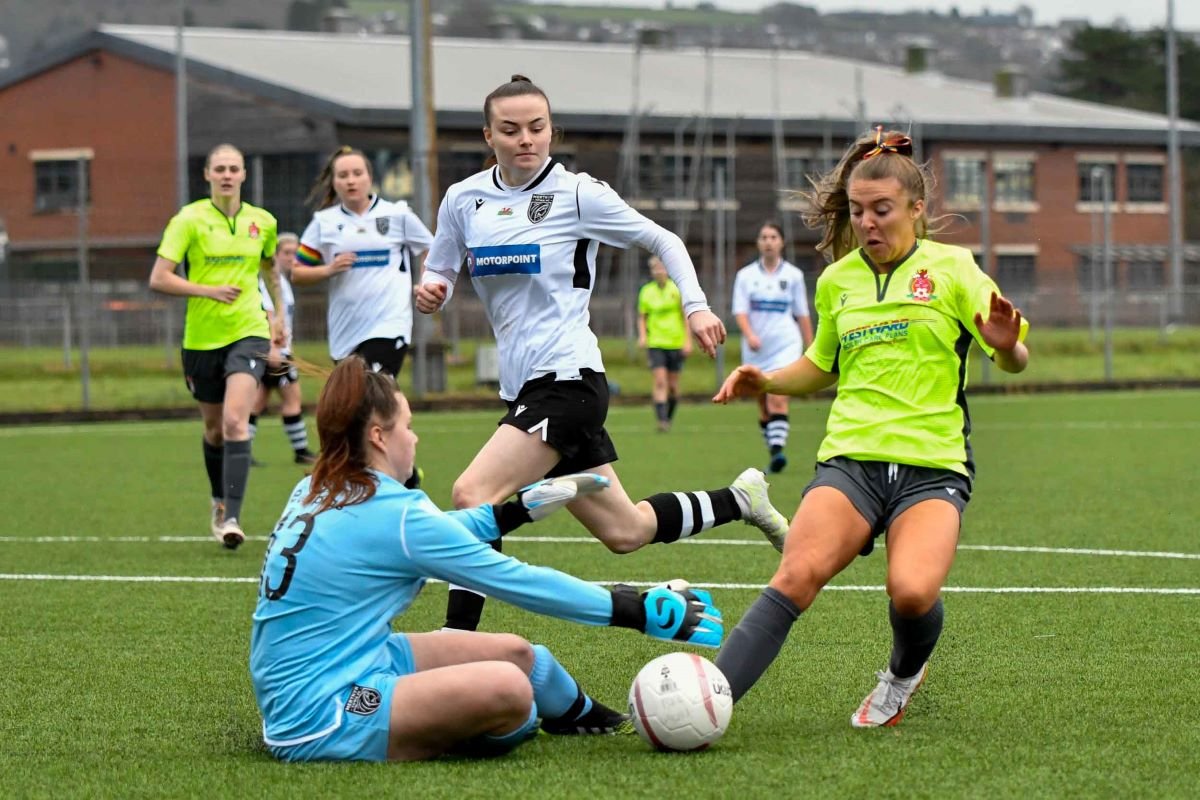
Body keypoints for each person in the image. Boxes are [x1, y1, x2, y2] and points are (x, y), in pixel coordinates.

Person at [415, 74, 791, 633]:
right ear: (487, 135)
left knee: (472, 494)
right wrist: (431, 288)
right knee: (627, 532)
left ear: (551, 130)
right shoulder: (463, 199)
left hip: (567, 381)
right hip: (526, 389)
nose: (526, 139)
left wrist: (696, 306)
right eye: (511, 129)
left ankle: (454, 642)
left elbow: (665, 240)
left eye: (537, 128)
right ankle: (740, 500)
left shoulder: (577, 192)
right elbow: (440, 265)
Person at [250, 356, 725, 762]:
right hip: (322, 711)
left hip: (355, 659)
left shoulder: (319, 488)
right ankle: (454, 730)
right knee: (512, 693)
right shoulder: (393, 513)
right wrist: (634, 609)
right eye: (407, 427)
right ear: (378, 436)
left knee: (522, 656)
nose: (414, 439)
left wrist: (516, 511)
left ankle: (599, 722)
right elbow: (516, 580)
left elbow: (431, 534)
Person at [712, 127, 1029, 728]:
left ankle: (903, 675)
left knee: (910, 591)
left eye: (882, 210)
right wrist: (768, 382)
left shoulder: (956, 270)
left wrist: (1008, 349)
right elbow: (820, 365)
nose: (868, 223)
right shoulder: (837, 281)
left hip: (932, 466)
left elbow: (1014, 356)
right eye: (858, 211)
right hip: (851, 460)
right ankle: (708, 700)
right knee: (795, 575)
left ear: (917, 209)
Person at [148, 143, 287, 549]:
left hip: (249, 331)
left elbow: (270, 269)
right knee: (213, 430)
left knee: (234, 422)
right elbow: (159, 278)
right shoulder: (188, 220)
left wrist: (278, 316)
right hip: (201, 340)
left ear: (244, 174)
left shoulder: (263, 221)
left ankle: (233, 516)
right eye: (220, 169)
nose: (227, 175)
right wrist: (206, 290)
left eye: (234, 169)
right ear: (207, 174)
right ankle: (218, 499)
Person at [291, 145, 434, 488]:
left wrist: (428, 281)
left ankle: (393, 474)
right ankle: (393, 473)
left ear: (370, 178)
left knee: (376, 392)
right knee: (355, 404)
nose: (351, 180)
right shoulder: (324, 223)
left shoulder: (397, 215)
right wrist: (328, 269)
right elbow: (298, 272)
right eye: (343, 175)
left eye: (357, 173)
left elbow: (431, 247)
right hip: (345, 332)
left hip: (390, 324)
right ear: (334, 183)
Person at [731, 221, 814, 473]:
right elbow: (740, 311)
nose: (768, 241)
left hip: (786, 344)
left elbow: (802, 313)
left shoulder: (794, 276)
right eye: (764, 237)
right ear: (758, 243)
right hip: (757, 348)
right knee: (762, 402)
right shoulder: (745, 276)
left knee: (778, 395)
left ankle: (778, 452)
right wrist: (750, 335)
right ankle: (773, 448)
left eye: (773, 237)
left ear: (781, 243)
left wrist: (810, 347)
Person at [250, 233, 317, 466]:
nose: (291, 258)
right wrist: (274, 349)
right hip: (274, 351)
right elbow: (267, 315)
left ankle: (241, 451)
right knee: (292, 398)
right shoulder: (268, 280)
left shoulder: (282, 281)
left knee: (257, 401)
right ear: (275, 255)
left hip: (280, 349)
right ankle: (301, 451)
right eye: (286, 253)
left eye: (295, 253)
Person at [637, 255, 691, 432]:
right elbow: (642, 317)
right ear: (652, 271)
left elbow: (685, 317)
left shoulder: (676, 290)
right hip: (656, 343)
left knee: (673, 387)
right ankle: (662, 421)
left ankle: (668, 415)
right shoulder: (646, 291)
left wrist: (688, 340)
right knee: (660, 381)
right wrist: (643, 336)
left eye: (662, 267)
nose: (659, 271)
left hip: (675, 342)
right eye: (655, 268)